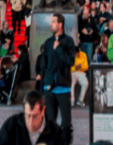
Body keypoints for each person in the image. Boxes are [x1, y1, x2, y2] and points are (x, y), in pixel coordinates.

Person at [36, 13, 75, 143]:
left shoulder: (68, 41)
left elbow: (70, 61)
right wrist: (43, 88)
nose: (50, 24)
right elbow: (44, 66)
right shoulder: (48, 42)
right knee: (49, 124)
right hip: (49, 90)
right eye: (51, 21)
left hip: (63, 89)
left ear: (60, 24)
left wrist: (58, 49)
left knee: (66, 124)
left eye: (53, 22)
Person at [0, 89, 65, 145]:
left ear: (43, 111)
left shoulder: (56, 133)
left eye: (35, 116)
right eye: (28, 116)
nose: (30, 122)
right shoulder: (11, 125)